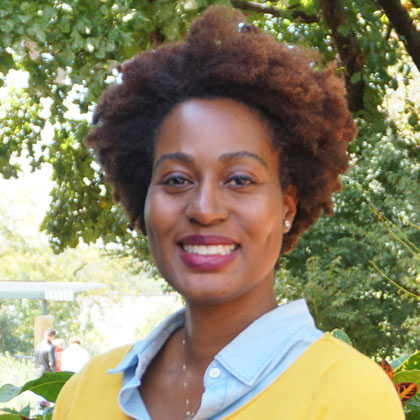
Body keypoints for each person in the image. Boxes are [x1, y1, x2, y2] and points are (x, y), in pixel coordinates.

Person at [53, 6, 404, 420]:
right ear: (142, 196)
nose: (204, 209)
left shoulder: (348, 396)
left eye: (239, 179)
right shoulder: (87, 393)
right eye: (177, 179)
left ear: (287, 207)